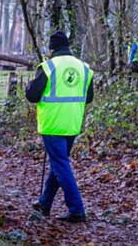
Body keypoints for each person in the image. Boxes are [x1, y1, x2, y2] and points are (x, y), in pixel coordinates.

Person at [26, 30, 94, 223]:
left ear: (50, 50)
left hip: (52, 124)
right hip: (72, 124)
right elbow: (88, 98)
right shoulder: (84, 68)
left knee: (61, 165)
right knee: (59, 164)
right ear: (69, 48)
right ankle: (45, 203)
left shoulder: (49, 67)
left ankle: (76, 209)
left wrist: (29, 86)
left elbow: (32, 95)